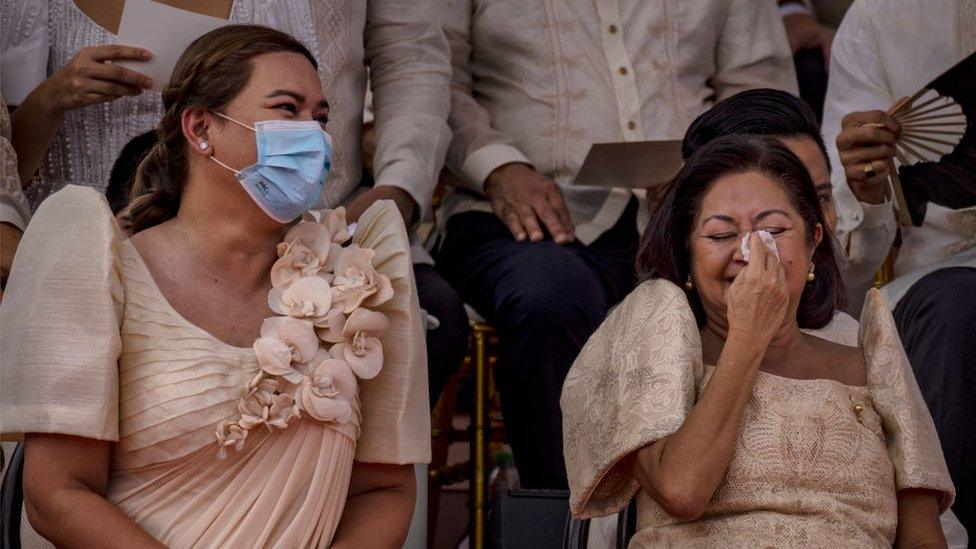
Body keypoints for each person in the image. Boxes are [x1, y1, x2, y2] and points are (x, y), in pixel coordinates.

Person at [1, 26, 428, 547]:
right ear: (201, 128)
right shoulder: (99, 266)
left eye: (320, 118)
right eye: (286, 109)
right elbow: (57, 494)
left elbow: (383, 490)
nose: (314, 136)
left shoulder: (360, 280)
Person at [433, 0, 798, 489]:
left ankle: (745, 510)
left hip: (694, 204)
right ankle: (564, 523)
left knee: (746, 276)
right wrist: (498, 167)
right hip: (511, 206)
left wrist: (716, 169)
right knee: (550, 297)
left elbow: (758, 90)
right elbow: (431, 79)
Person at [562, 134, 954, 546]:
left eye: (773, 230)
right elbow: (681, 490)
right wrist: (748, 337)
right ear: (688, 256)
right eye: (719, 236)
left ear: (813, 242)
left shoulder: (873, 358)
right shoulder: (659, 343)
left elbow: (922, 534)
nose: (749, 252)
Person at [821, 0, 976, 533]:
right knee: (956, 308)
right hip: (936, 273)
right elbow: (846, 267)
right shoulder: (880, 18)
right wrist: (864, 188)